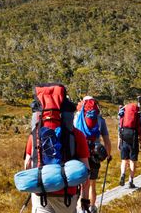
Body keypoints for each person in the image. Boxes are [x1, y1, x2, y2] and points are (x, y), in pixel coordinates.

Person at [23, 84, 90, 213]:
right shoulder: (77, 135)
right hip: (67, 196)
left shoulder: (35, 135)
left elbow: (27, 165)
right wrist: (85, 199)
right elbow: (86, 172)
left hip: (41, 193)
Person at [73, 96, 110, 212]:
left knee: (80, 182)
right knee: (92, 183)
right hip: (95, 153)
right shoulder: (100, 119)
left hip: (79, 152)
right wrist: (108, 155)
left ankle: (80, 207)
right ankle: (92, 207)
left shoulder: (76, 117)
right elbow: (107, 140)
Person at [116, 101, 141, 189]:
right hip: (133, 138)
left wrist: (119, 142)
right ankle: (131, 181)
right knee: (132, 161)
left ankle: (122, 174)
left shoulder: (123, 115)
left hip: (124, 137)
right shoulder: (138, 116)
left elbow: (119, 129)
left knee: (124, 160)